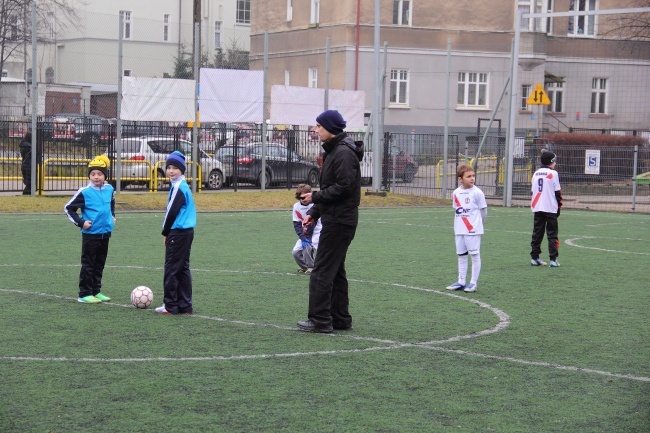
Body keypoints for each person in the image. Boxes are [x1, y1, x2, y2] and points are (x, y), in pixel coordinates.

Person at [296, 109, 364, 333]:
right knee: (336, 270)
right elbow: (331, 189)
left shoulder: (343, 153)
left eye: (319, 126)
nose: (315, 130)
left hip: (340, 220)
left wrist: (315, 197)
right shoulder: (336, 151)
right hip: (338, 218)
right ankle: (340, 318)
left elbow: (342, 188)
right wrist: (314, 212)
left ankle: (320, 320)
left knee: (322, 270)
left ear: (331, 129)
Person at [64, 155, 115, 303]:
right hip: (91, 234)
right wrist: (81, 222)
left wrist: (112, 215)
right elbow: (68, 208)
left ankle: (96, 290)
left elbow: (111, 202)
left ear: (105, 175)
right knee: (89, 264)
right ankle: (84, 293)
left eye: (99, 174)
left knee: (100, 263)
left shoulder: (109, 189)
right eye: (93, 174)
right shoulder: (85, 192)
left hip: (105, 233)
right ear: (89, 176)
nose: (96, 177)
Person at [155, 151, 197, 315]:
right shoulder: (181, 185)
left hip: (178, 232)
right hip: (186, 233)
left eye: (175, 168)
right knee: (183, 268)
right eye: (169, 168)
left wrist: (165, 232)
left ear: (182, 169)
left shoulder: (179, 187)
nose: (171, 171)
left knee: (172, 268)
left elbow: (171, 212)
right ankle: (185, 305)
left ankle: (171, 305)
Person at [446, 165, 487, 293]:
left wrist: (478, 224)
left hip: (472, 230)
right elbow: (458, 211)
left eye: (473, 176)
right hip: (459, 229)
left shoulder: (477, 193)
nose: (472, 178)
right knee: (461, 255)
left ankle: (473, 283)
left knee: (474, 255)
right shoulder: (456, 193)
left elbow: (483, 211)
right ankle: (461, 281)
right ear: (460, 179)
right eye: (468, 176)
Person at [530, 149, 562, 267]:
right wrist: (558, 207)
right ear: (551, 162)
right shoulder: (553, 173)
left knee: (537, 233)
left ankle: (534, 258)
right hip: (550, 207)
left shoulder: (536, 173)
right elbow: (558, 192)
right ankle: (553, 260)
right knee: (552, 233)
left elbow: (533, 191)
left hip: (537, 206)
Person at [292, 184, 322, 274]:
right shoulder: (296, 207)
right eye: (301, 197)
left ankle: (312, 267)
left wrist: (307, 238)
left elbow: (314, 222)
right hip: (305, 234)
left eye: (305, 197)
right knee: (295, 252)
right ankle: (305, 267)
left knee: (308, 248)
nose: (303, 199)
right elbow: (297, 224)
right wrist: (303, 237)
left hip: (316, 232)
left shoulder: (315, 205)